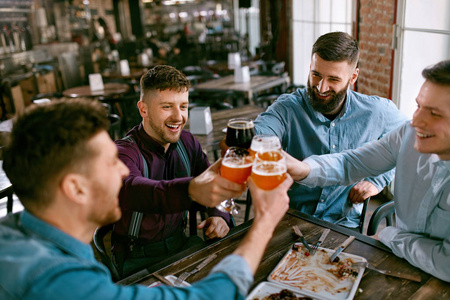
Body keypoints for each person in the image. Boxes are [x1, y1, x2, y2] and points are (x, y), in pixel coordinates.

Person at [0, 99, 293, 299]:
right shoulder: (60, 283)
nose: (121, 171)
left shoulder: (12, 234)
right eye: (110, 163)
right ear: (75, 188)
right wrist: (265, 222)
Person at [285, 60, 450, 281]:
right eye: (418, 106)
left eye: (435, 114)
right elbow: (351, 163)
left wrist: (392, 236)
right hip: (398, 265)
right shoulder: (408, 135)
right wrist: (303, 169)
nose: (416, 121)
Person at [252, 31, 407, 229]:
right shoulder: (287, 107)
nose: (321, 87)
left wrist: (377, 181)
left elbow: (406, 142)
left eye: (333, 79)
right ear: (310, 68)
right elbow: (260, 133)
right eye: (316, 75)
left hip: (343, 224)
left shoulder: (378, 111)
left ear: (353, 77)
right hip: (288, 219)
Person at [112, 65, 243, 278]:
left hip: (183, 246)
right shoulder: (124, 151)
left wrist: (218, 215)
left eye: (183, 106)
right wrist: (191, 190)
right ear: (143, 109)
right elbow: (134, 190)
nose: (178, 117)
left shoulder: (188, 142)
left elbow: (211, 183)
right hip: (138, 261)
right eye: (167, 107)